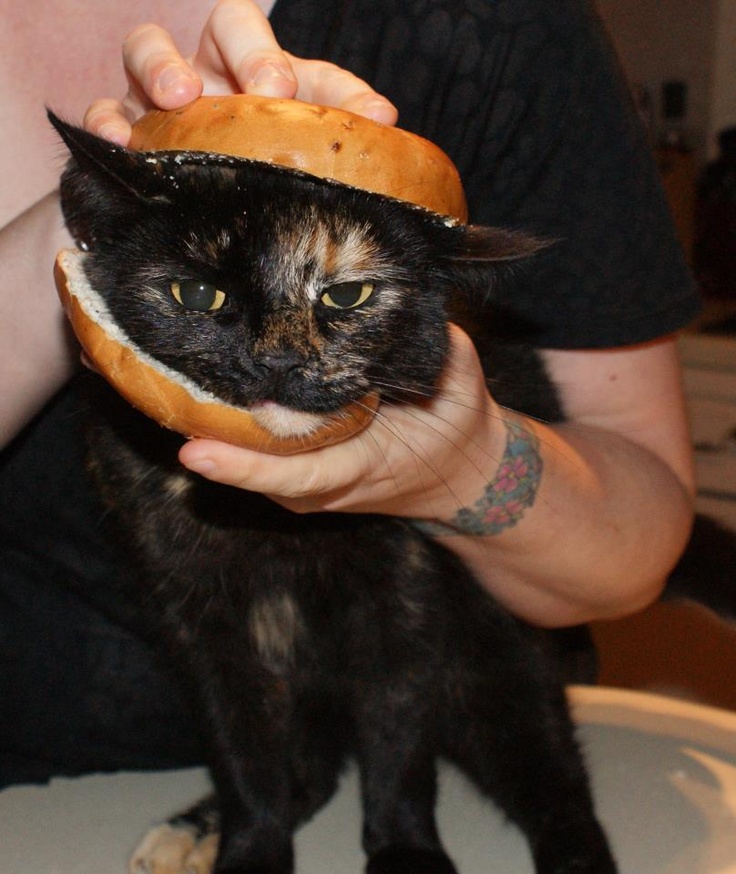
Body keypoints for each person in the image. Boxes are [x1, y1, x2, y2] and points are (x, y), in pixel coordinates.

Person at [0, 0, 700, 785]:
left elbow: (641, 547)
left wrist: (463, 461)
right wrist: (83, 231)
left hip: (444, 764)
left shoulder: (492, 24)